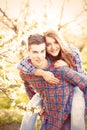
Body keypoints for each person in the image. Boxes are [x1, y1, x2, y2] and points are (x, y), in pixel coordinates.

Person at [18, 33, 87, 130]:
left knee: (77, 111)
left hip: (76, 87)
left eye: (42, 51)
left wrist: (67, 66)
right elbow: (26, 82)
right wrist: (41, 73)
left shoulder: (66, 59)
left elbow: (82, 80)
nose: (39, 56)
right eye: (35, 52)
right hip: (44, 94)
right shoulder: (25, 70)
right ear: (28, 52)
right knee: (30, 110)